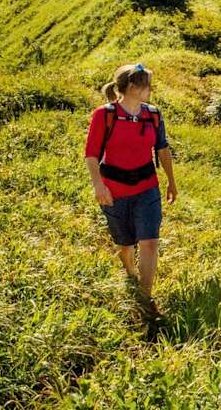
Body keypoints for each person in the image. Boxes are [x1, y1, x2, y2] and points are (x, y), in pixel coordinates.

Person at [83, 63, 177, 314]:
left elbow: (162, 149)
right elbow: (91, 154)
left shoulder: (153, 114)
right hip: (114, 191)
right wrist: (98, 185)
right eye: (147, 85)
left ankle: (145, 299)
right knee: (125, 245)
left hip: (147, 187)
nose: (151, 90)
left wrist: (171, 181)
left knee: (150, 242)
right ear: (133, 87)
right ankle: (131, 273)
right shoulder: (105, 115)